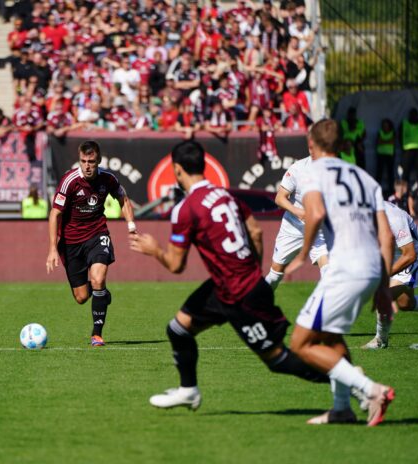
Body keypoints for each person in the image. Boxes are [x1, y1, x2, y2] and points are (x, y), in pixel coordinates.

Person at [129, 140, 328, 411]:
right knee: (178, 329)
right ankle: (188, 390)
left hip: (238, 293)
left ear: (177, 170)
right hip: (227, 285)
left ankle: (348, 380)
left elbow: (176, 266)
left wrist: (154, 250)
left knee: (277, 359)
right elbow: (255, 232)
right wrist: (253, 270)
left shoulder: (186, 208)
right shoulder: (226, 196)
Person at [287, 119, 395, 426]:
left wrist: (304, 253)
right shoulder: (364, 177)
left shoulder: (313, 172)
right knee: (332, 337)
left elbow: (316, 213)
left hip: (345, 267)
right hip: (372, 267)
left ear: (311, 145)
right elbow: (385, 237)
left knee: (301, 344)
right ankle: (341, 409)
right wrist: (384, 287)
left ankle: (372, 389)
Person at [46, 141, 136, 347]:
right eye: (83, 161)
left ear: (99, 161)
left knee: (98, 278)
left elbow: (123, 198)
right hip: (71, 242)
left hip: (97, 234)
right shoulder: (70, 181)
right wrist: (52, 248)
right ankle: (102, 295)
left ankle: (97, 334)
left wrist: (131, 226)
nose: (87, 165)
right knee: (81, 297)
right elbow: (55, 213)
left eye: (91, 161)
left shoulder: (108, 179)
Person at [363, 201, 418, 349]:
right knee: (406, 304)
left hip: (416, 258)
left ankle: (380, 341)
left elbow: (410, 255)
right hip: (399, 256)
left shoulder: (394, 218)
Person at [264, 156, 329, 290]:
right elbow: (279, 198)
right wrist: (298, 212)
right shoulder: (298, 168)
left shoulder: (335, 170)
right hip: (293, 227)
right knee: (275, 273)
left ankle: (325, 308)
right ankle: (256, 303)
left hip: (319, 228)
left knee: (328, 270)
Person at [399, 108, 418, 187]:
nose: (413, 116)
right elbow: (400, 136)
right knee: (405, 174)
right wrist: (403, 147)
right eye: (412, 114)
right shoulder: (404, 123)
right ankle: (405, 193)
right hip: (407, 151)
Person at [375, 118, 395, 197]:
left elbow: (392, 142)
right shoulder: (380, 132)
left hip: (389, 155)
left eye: (386, 125)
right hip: (381, 154)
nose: (385, 127)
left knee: (390, 173)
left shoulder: (393, 132)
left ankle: (391, 190)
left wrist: (383, 141)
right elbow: (379, 141)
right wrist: (387, 141)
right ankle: (377, 189)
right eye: (384, 125)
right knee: (379, 173)